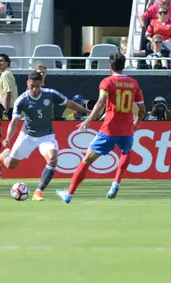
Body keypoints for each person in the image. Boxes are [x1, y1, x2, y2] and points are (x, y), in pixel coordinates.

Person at [56, 52, 146, 203]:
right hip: (127, 130)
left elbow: (101, 102)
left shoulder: (107, 82)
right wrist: (136, 123)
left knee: (87, 160)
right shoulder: (133, 83)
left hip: (109, 129)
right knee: (126, 151)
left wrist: (89, 120)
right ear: (123, 66)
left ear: (110, 66)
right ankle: (116, 183)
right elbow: (142, 109)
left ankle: (69, 194)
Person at [0, 71, 90, 201]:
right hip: (27, 135)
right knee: (10, 165)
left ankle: (38, 192)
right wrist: (8, 138)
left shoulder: (50, 94)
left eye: (37, 86)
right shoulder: (21, 100)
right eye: (32, 86)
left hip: (46, 136)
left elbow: (69, 103)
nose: (35, 89)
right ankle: (5, 155)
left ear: (41, 84)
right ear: (27, 83)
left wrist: (89, 111)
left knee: (53, 159)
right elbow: (14, 121)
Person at [0, 53, 18, 119]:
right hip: (10, 109)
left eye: (1, 61)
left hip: (7, 109)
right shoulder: (8, 73)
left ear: (7, 63)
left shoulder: (5, 75)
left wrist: (5, 111)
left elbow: (7, 93)